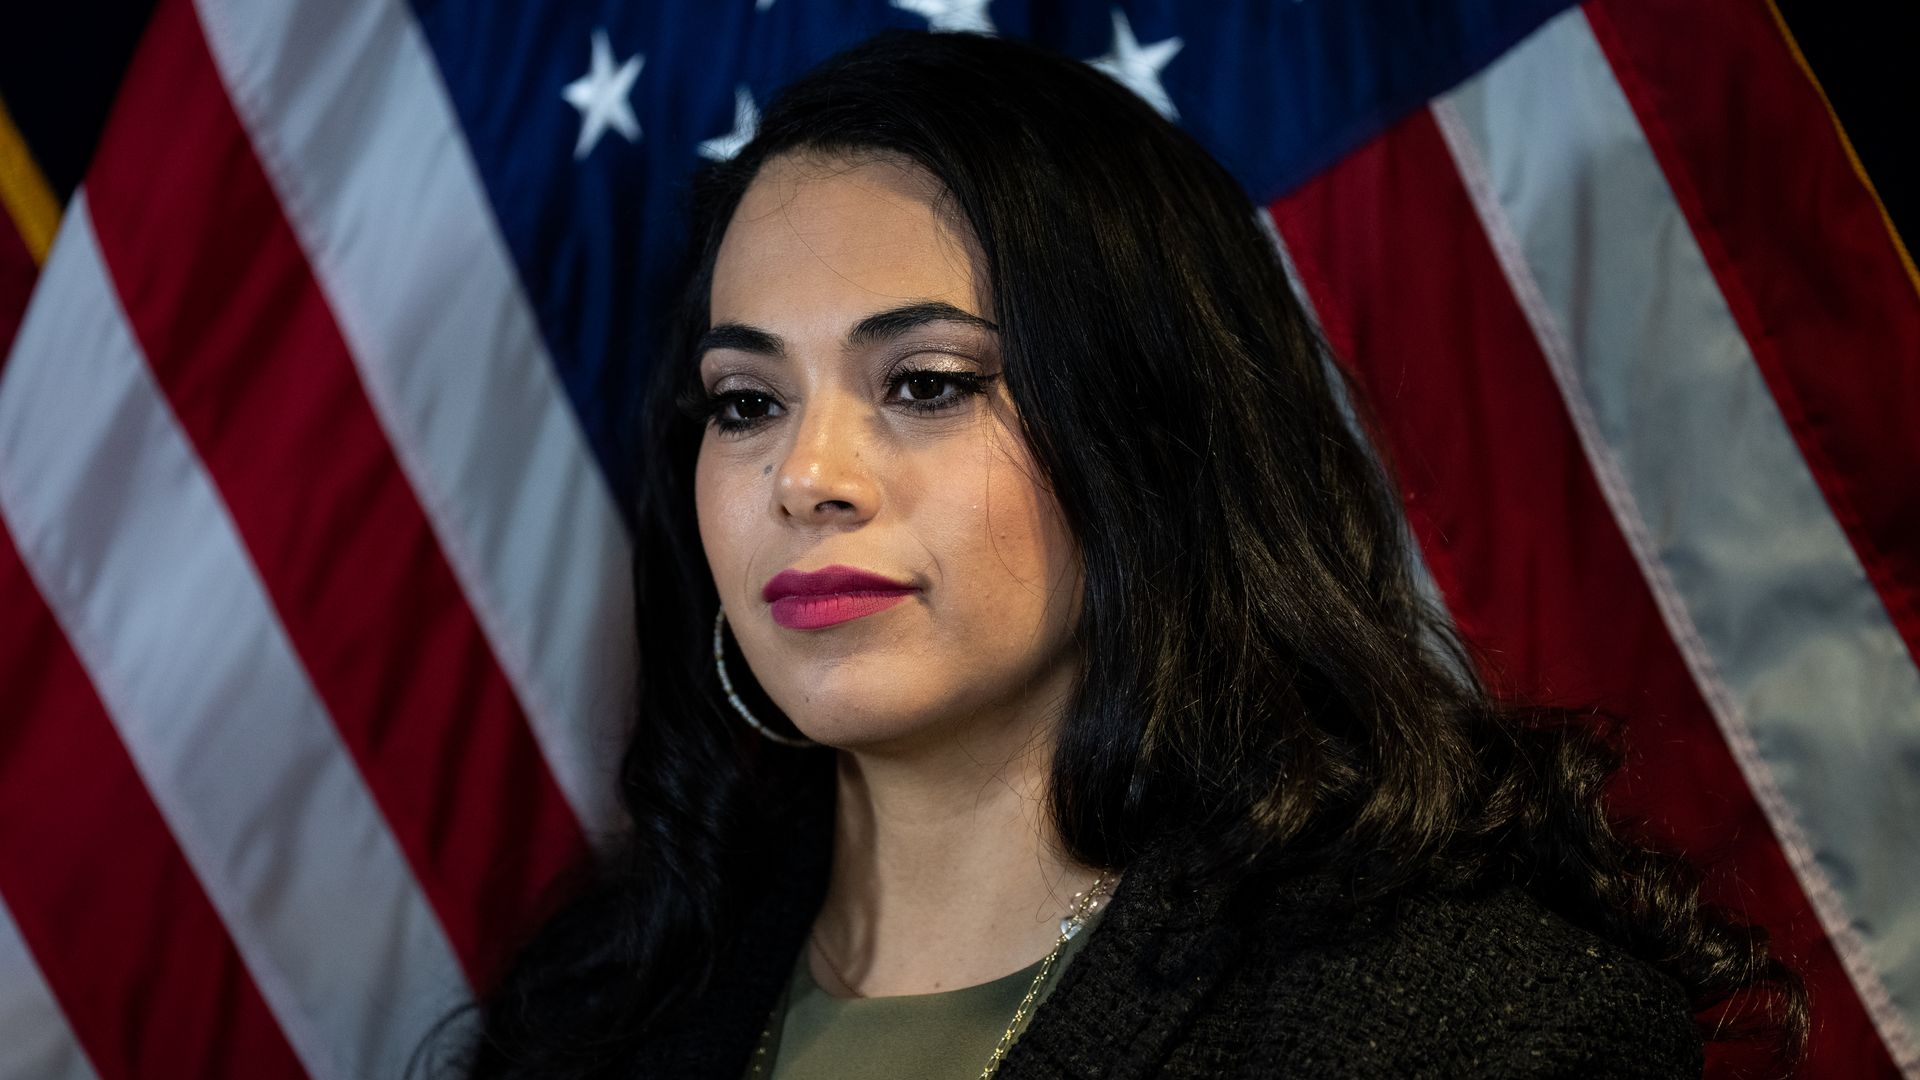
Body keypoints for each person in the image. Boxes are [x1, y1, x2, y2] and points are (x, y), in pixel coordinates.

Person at [446, 28, 1806, 1080]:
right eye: (746, 401)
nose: (806, 477)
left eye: (925, 382)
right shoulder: (599, 1010)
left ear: (1148, 431)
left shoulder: (1476, 1028)